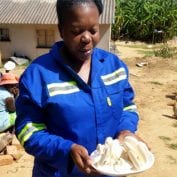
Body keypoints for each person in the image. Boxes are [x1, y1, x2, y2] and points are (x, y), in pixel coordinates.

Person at [15, 0, 146, 177]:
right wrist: (67, 150)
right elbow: (28, 131)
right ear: (61, 30)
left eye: (93, 30)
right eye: (76, 31)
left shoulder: (114, 67)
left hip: (111, 170)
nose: (86, 38)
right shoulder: (38, 75)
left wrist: (125, 130)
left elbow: (127, 107)